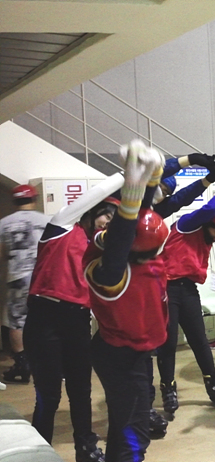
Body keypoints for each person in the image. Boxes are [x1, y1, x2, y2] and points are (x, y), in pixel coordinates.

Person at [24, 172, 125, 462]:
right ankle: (39, 450)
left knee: (81, 390)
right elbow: (98, 192)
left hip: (78, 320)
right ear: (93, 212)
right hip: (44, 318)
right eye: (106, 216)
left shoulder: (100, 251)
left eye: (114, 221)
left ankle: (86, 448)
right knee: (49, 393)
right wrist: (127, 175)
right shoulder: (62, 226)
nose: (108, 223)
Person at [84, 140, 169, 462]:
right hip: (119, 354)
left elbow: (138, 223)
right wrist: (131, 188)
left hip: (134, 351)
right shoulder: (110, 270)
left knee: (131, 420)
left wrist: (151, 178)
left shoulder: (137, 255)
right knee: (133, 431)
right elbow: (123, 239)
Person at [155, 177, 215, 415]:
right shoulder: (188, 224)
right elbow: (209, 208)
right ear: (207, 223)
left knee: (199, 339)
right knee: (168, 342)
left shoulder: (209, 234)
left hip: (187, 289)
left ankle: (213, 383)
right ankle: (168, 388)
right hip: (167, 287)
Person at [0, 185, 48, 383]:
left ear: (14, 202)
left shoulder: (4, 224)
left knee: (17, 320)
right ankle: (46, 362)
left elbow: (2, 254)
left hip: (18, 278)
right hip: (44, 278)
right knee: (46, 319)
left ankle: (22, 364)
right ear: (34, 200)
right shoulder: (46, 221)